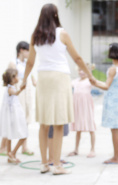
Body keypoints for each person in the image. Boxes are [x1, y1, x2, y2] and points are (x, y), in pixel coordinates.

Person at [21, 4, 95, 175]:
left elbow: (30, 62)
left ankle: (44, 163)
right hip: (60, 78)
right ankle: (57, 165)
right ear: (55, 14)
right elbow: (76, 57)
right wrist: (90, 75)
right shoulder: (62, 33)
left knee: (44, 123)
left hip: (44, 79)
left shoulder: (35, 35)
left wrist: (24, 80)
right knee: (59, 122)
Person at [92, 43, 118, 164]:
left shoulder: (113, 69)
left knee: (114, 130)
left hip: (112, 102)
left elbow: (106, 86)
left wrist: (94, 82)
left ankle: (116, 157)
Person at [9, 41, 36, 156]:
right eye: (27, 50)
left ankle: (24, 147)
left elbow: (31, 75)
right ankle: (5, 147)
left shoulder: (26, 63)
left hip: (27, 93)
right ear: (21, 50)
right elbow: (8, 79)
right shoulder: (13, 63)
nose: (29, 53)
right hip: (18, 94)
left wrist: (34, 81)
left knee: (26, 120)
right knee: (15, 120)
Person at [68, 64, 96, 158]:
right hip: (77, 107)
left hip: (86, 106)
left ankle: (92, 149)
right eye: (80, 70)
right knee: (78, 128)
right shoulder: (75, 81)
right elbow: (67, 85)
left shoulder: (89, 81)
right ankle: (76, 149)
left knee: (91, 127)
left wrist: (91, 75)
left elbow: (96, 83)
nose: (81, 72)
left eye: (83, 70)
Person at [0, 68, 27, 164]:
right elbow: (15, 94)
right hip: (13, 116)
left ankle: (10, 155)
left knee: (10, 136)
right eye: (17, 75)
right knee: (24, 135)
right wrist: (21, 89)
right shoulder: (10, 89)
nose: (18, 77)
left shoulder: (10, 88)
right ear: (12, 78)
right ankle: (13, 152)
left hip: (12, 116)